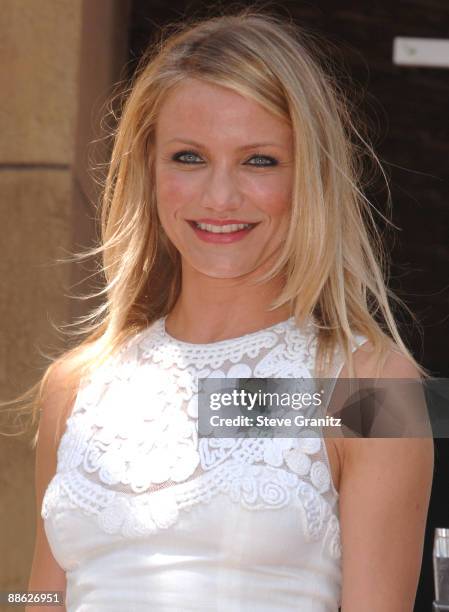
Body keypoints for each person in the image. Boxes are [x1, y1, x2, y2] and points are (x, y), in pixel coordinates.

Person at [25, 8, 434, 612]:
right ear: (149, 167)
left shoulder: (363, 389)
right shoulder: (76, 386)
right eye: (189, 156)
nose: (220, 196)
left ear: (309, 178)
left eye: (259, 160)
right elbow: (36, 598)